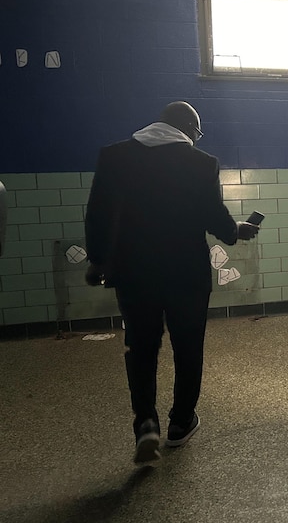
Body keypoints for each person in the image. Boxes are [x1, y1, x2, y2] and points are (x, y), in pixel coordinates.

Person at [84, 101, 259, 465]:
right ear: (190, 131)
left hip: (134, 272)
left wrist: (99, 261)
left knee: (141, 347)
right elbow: (214, 216)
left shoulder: (115, 156)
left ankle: (146, 423)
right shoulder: (201, 163)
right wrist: (235, 231)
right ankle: (180, 424)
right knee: (188, 346)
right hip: (186, 273)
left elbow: (98, 214)